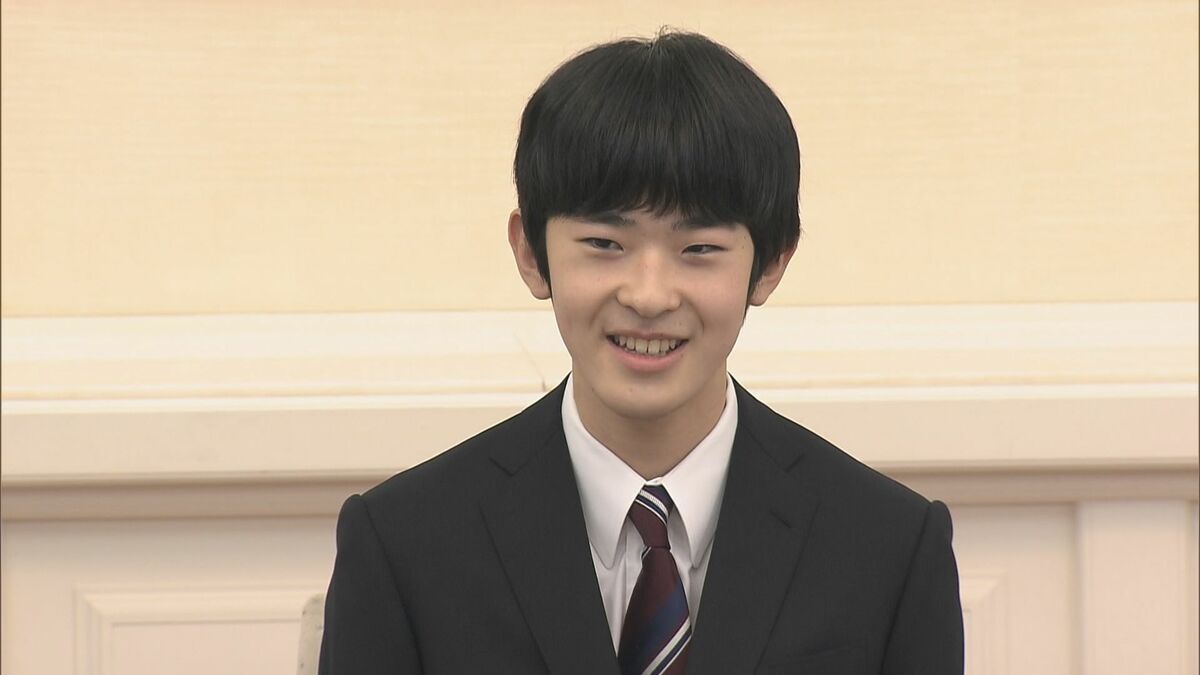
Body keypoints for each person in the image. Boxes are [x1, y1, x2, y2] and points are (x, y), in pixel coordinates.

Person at [319, 30, 963, 674]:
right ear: (531, 254)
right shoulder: (404, 543)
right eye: (605, 244)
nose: (649, 295)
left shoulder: (890, 546)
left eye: (699, 249)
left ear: (770, 265)